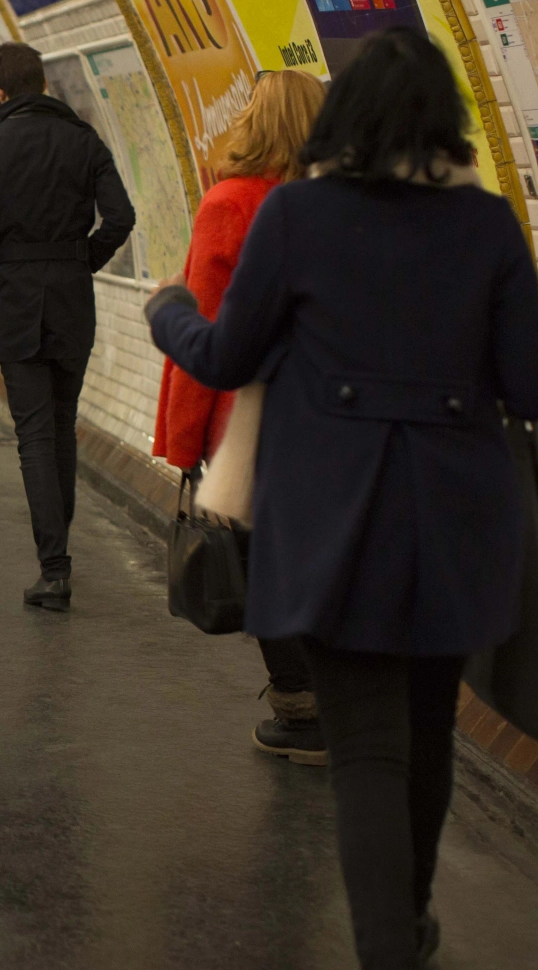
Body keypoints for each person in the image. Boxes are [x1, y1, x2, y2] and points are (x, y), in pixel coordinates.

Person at [145, 27, 538, 969]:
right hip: (456, 522)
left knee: (367, 746)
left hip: (334, 521)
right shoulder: (487, 224)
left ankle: (387, 948)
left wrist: (167, 309)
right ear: (444, 120)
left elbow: (227, 356)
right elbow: (534, 390)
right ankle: (407, 924)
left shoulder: (298, 218)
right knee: (428, 732)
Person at [150, 69, 329, 766]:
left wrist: (189, 440)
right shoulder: (340, 202)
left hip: (250, 420)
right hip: (333, 417)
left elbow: (208, 328)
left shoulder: (231, 202)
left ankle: (301, 711)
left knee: (262, 569)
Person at [0, 42, 134, 611]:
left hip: (18, 295)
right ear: (43, 83)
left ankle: (54, 568)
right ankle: (58, 549)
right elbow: (121, 216)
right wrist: (85, 259)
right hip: (73, 292)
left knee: (34, 434)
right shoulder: (83, 140)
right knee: (62, 423)